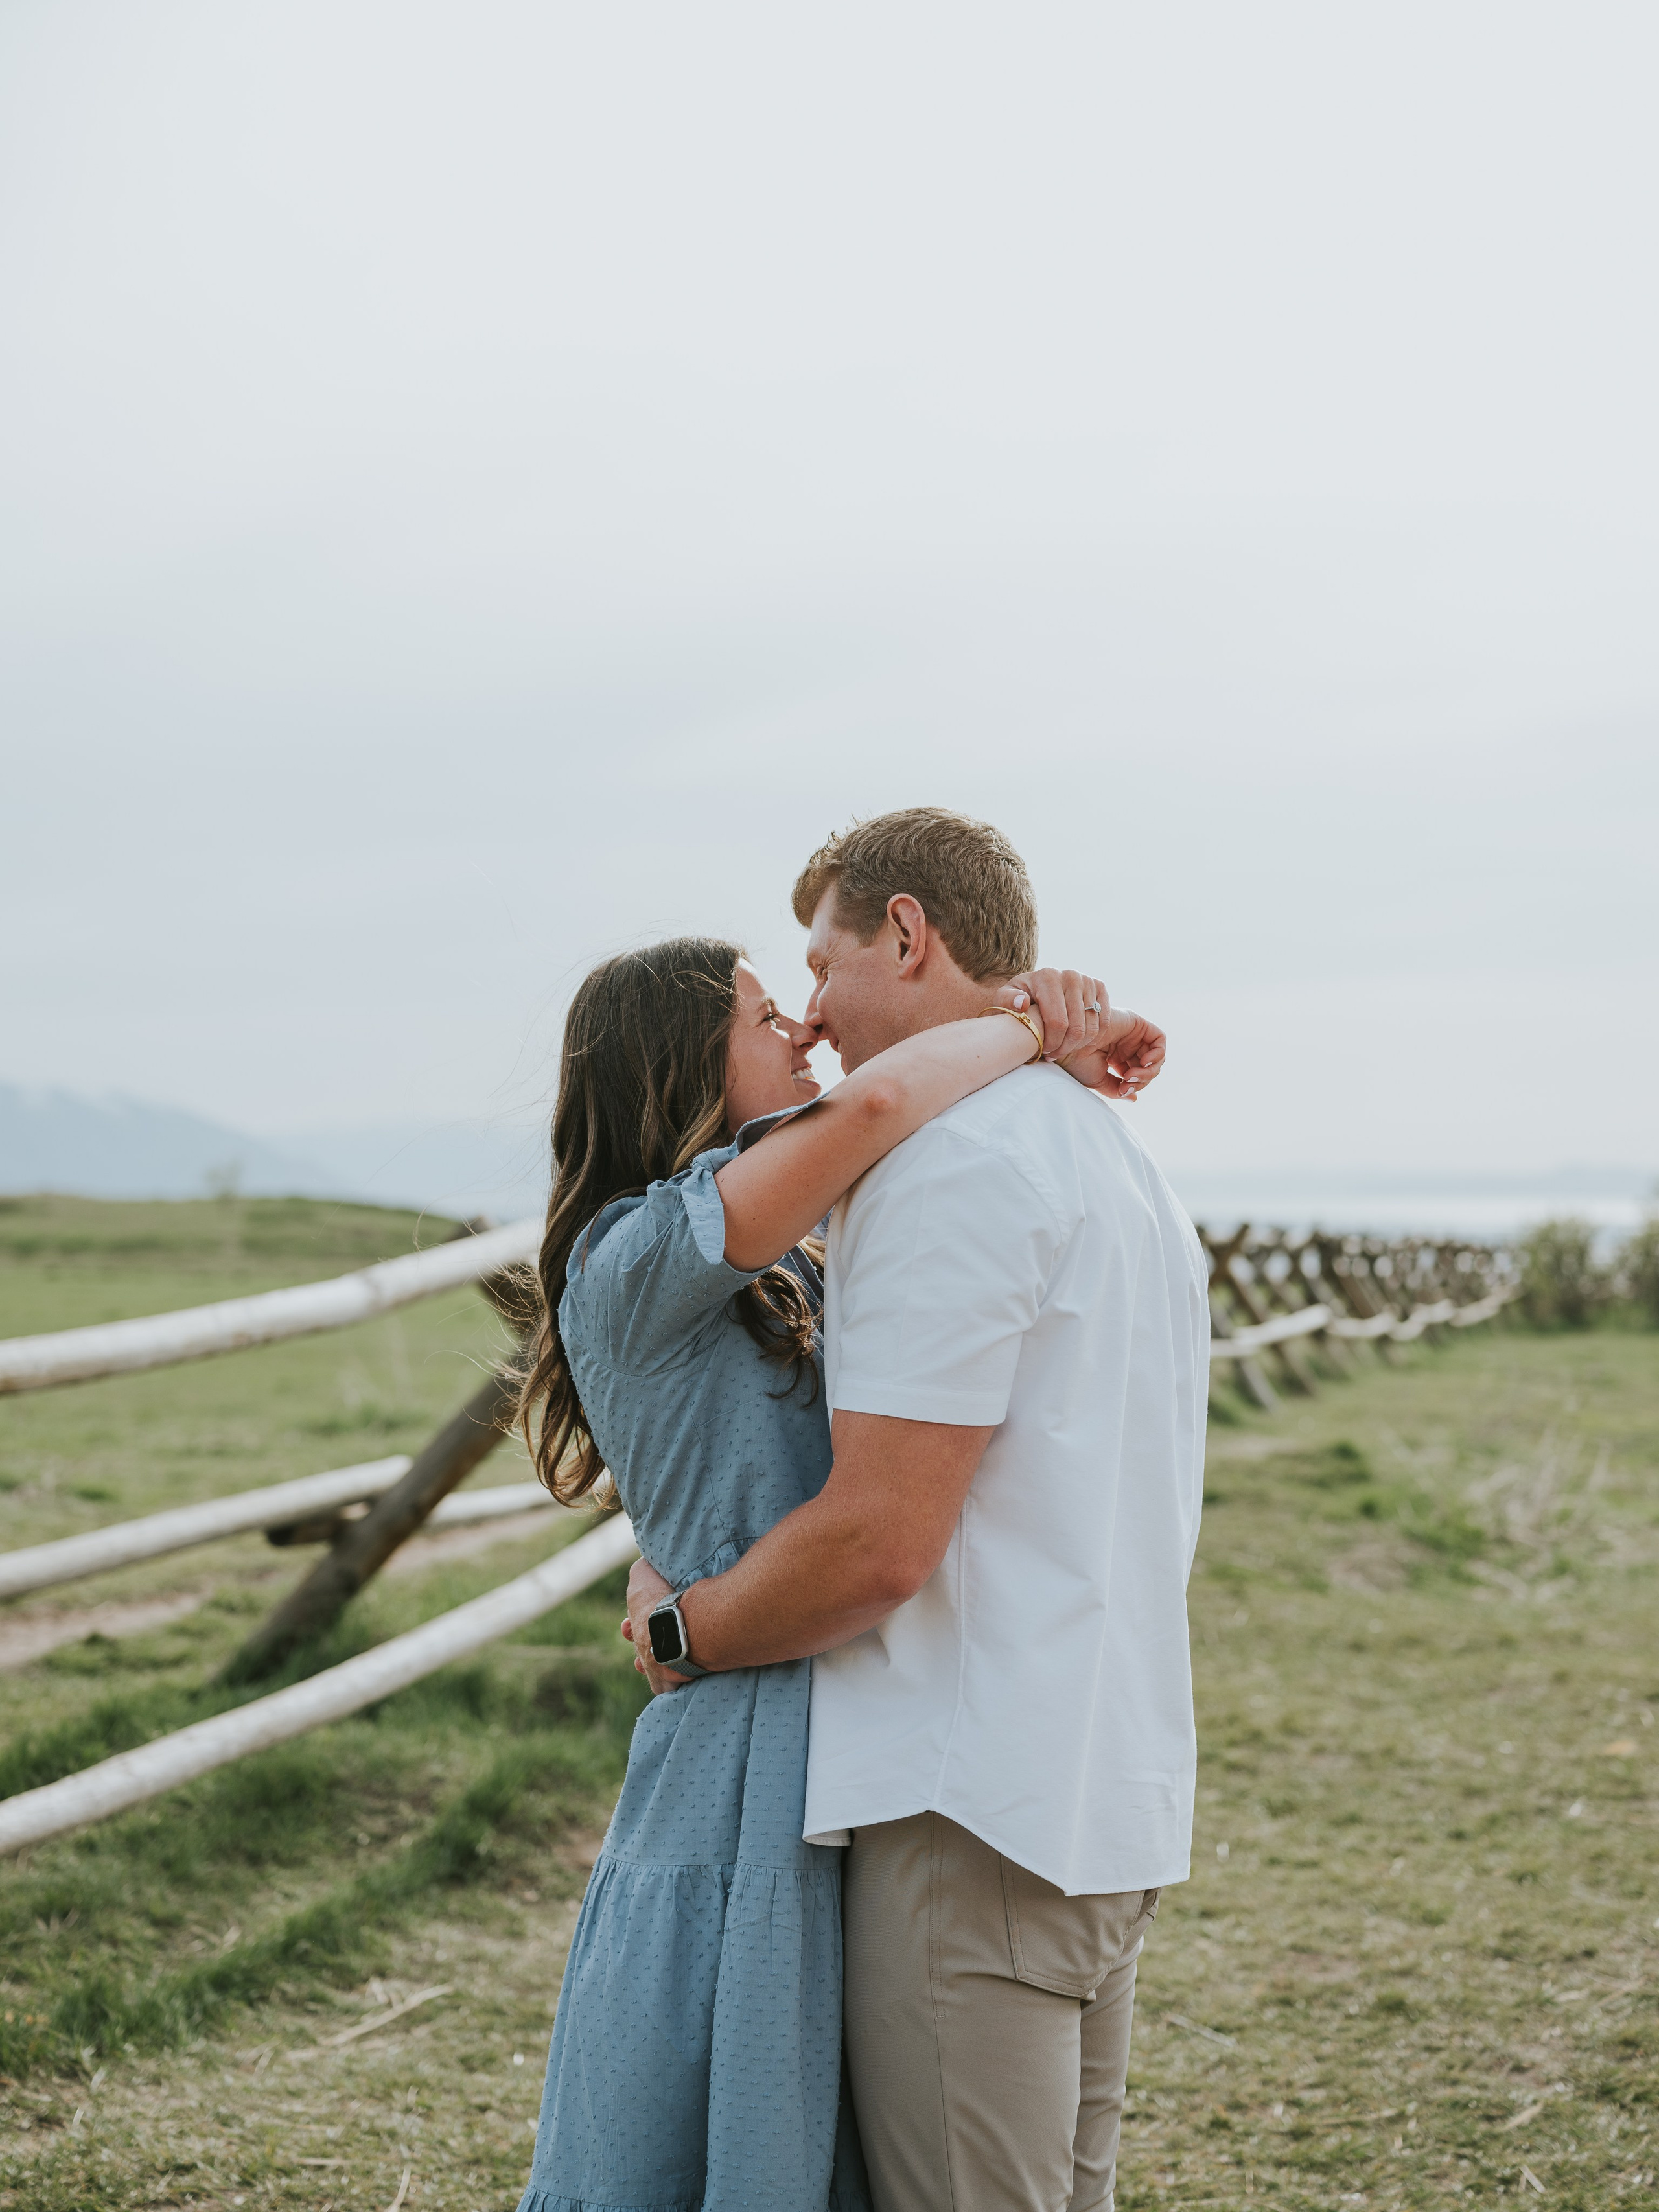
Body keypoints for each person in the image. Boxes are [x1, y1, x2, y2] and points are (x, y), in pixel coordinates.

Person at [513, 920, 1163, 2212]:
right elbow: (874, 1106)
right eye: (766, 1015)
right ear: (679, 1066)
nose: (803, 1025)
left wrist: (1046, 1053)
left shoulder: (766, 1262)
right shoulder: (632, 1256)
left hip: (840, 1737)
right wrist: (1028, 1022)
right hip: (738, 1767)